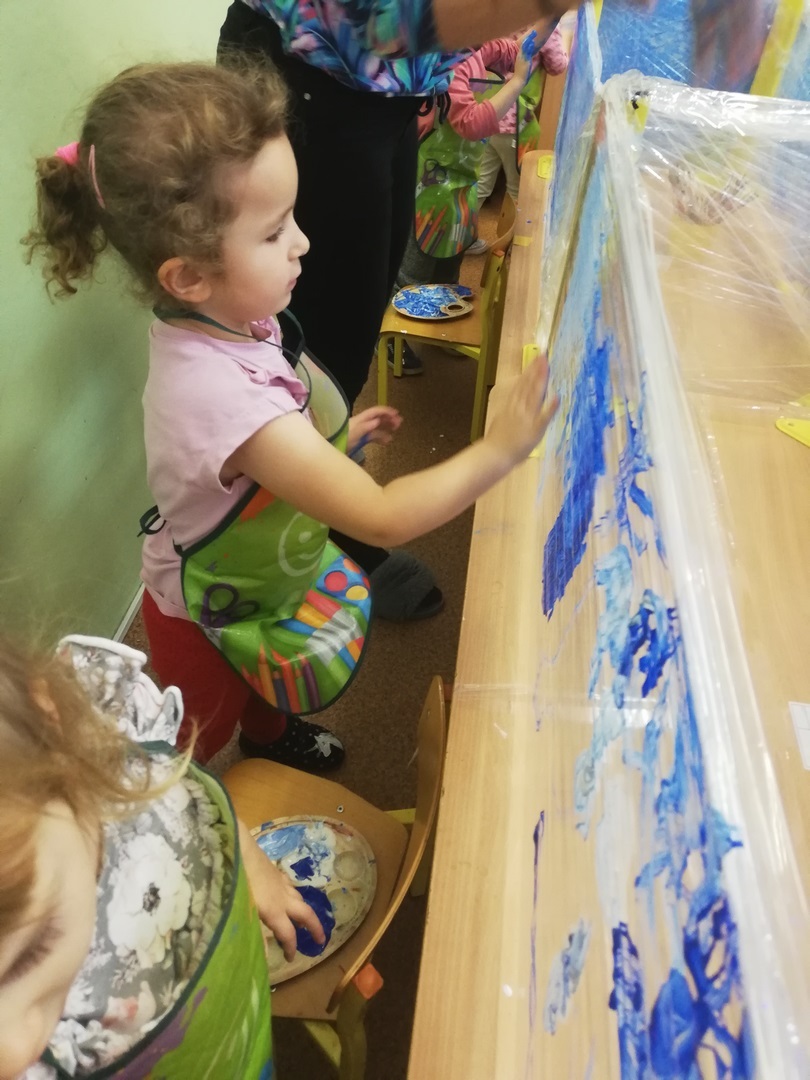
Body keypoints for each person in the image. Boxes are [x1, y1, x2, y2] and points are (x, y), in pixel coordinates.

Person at [24, 61, 558, 776]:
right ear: (188, 276)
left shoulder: (228, 318)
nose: (303, 242)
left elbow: (265, 450)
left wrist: (332, 442)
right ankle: (194, 793)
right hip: (204, 615)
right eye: (275, 232)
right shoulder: (222, 398)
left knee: (262, 677)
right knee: (194, 741)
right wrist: (500, 448)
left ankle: (271, 734)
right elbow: (383, 519)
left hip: (255, 578)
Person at [0, 633, 324, 1079]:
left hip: (239, 1018)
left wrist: (248, 857)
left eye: (29, 955)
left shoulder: (116, 744)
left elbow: (186, 800)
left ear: (55, 737)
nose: (16, 1050)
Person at [398, 25, 568, 293]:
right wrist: (516, 82)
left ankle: (445, 297)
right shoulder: (449, 58)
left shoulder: (476, 46)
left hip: (461, 182)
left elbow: (517, 50)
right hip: (428, 189)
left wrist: (551, 15)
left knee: (449, 270)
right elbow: (470, 124)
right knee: (413, 277)